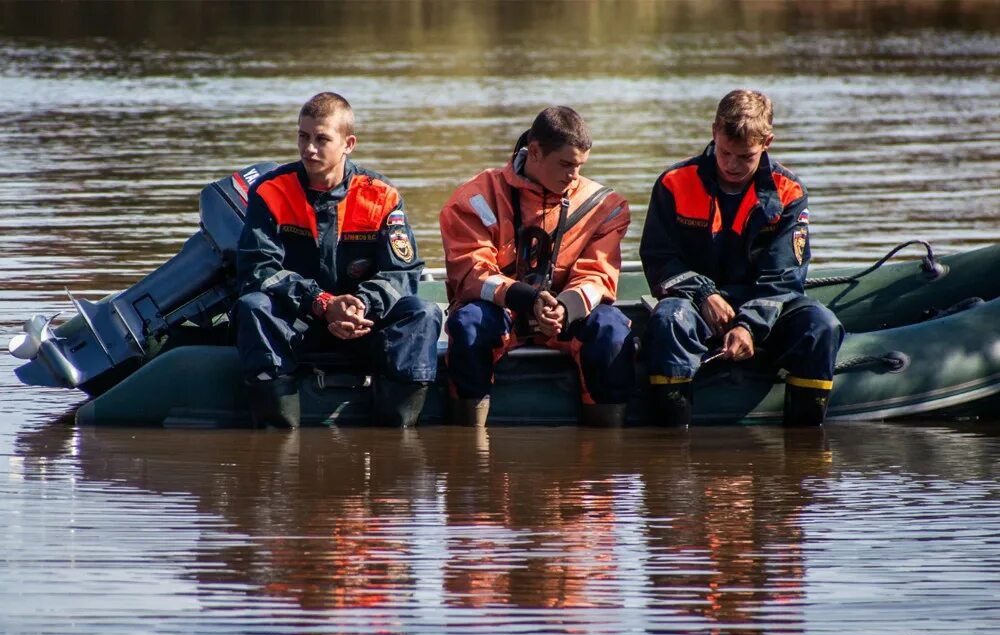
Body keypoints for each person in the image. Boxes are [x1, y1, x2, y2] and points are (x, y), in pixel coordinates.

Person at [233, 92, 442, 428]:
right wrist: (320, 302)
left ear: (348, 144)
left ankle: (398, 438)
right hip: (299, 322)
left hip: (364, 323)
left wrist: (361, 304)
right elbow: (259, 269)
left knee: (423, 312)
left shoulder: (381, 195)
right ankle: (278, 436)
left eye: (321, 139)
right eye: (303, 137)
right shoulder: (271, 191)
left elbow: (402, 272)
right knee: (253, 305)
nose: (308, 149)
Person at [640, 89, 844, 427]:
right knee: (667, 320)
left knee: (821, 326)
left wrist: (748, 326)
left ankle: (804, 457)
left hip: (766, 305)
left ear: (767, 142)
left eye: (745, 157)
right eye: (724, 152)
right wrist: (705, 294)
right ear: (713, 132)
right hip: (695, 304)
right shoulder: (674, 183)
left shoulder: (788, 191)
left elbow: (782, 278)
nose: (732, 165)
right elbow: (659, 259)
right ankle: (671, 450)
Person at [440, 106, 634, 427]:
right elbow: (471, 272)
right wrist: (527, 299)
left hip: (566, 314)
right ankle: (469, 437)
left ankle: (604, 455)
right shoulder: (475, 198)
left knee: (611, 330)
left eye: (580, 166)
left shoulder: (605, 206)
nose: (574, 175)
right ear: (536, 152)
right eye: (566, 164)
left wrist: (565, 308)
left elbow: (598, 275)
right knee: (468, 324)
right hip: (503, 311)